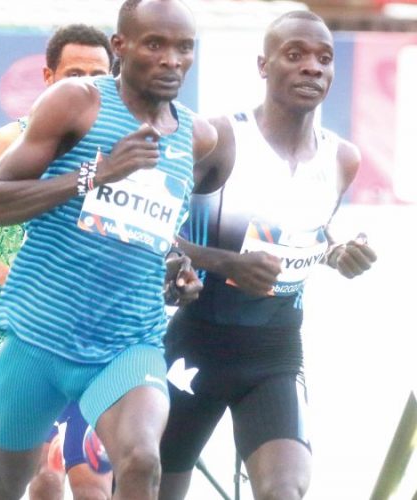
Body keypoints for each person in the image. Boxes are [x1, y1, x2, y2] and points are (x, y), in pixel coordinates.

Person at [0, 1, 215, 498]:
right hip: (38, 337)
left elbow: (152, 231)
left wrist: (176, 267)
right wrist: (97, 175)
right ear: (120, 47)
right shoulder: (78, 102)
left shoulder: (198, 138)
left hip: (127, 343)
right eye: (155, 44)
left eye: (184, 47)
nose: (171, 60)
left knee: (140, 460)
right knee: (3, 489)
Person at [158, 11, 378, 500]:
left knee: (285, 491)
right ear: (263, 64)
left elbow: (305, 232)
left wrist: (336, 250)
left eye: (325, 59)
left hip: (274, 354)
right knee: (148, 490)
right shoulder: (218, 138)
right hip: (195, 346)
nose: (312, 68)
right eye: (295, 55)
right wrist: (221, 264)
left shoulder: (342, 158)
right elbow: (152, 230)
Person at [0, 24, 117, 500]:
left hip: (89, 342)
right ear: (47, 77)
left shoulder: (120, 153)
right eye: (73, 73)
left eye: (98, 75)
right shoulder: (3, 145)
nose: (85, 84)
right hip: (3, 337)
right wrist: (4, 275)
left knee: (75, 479)